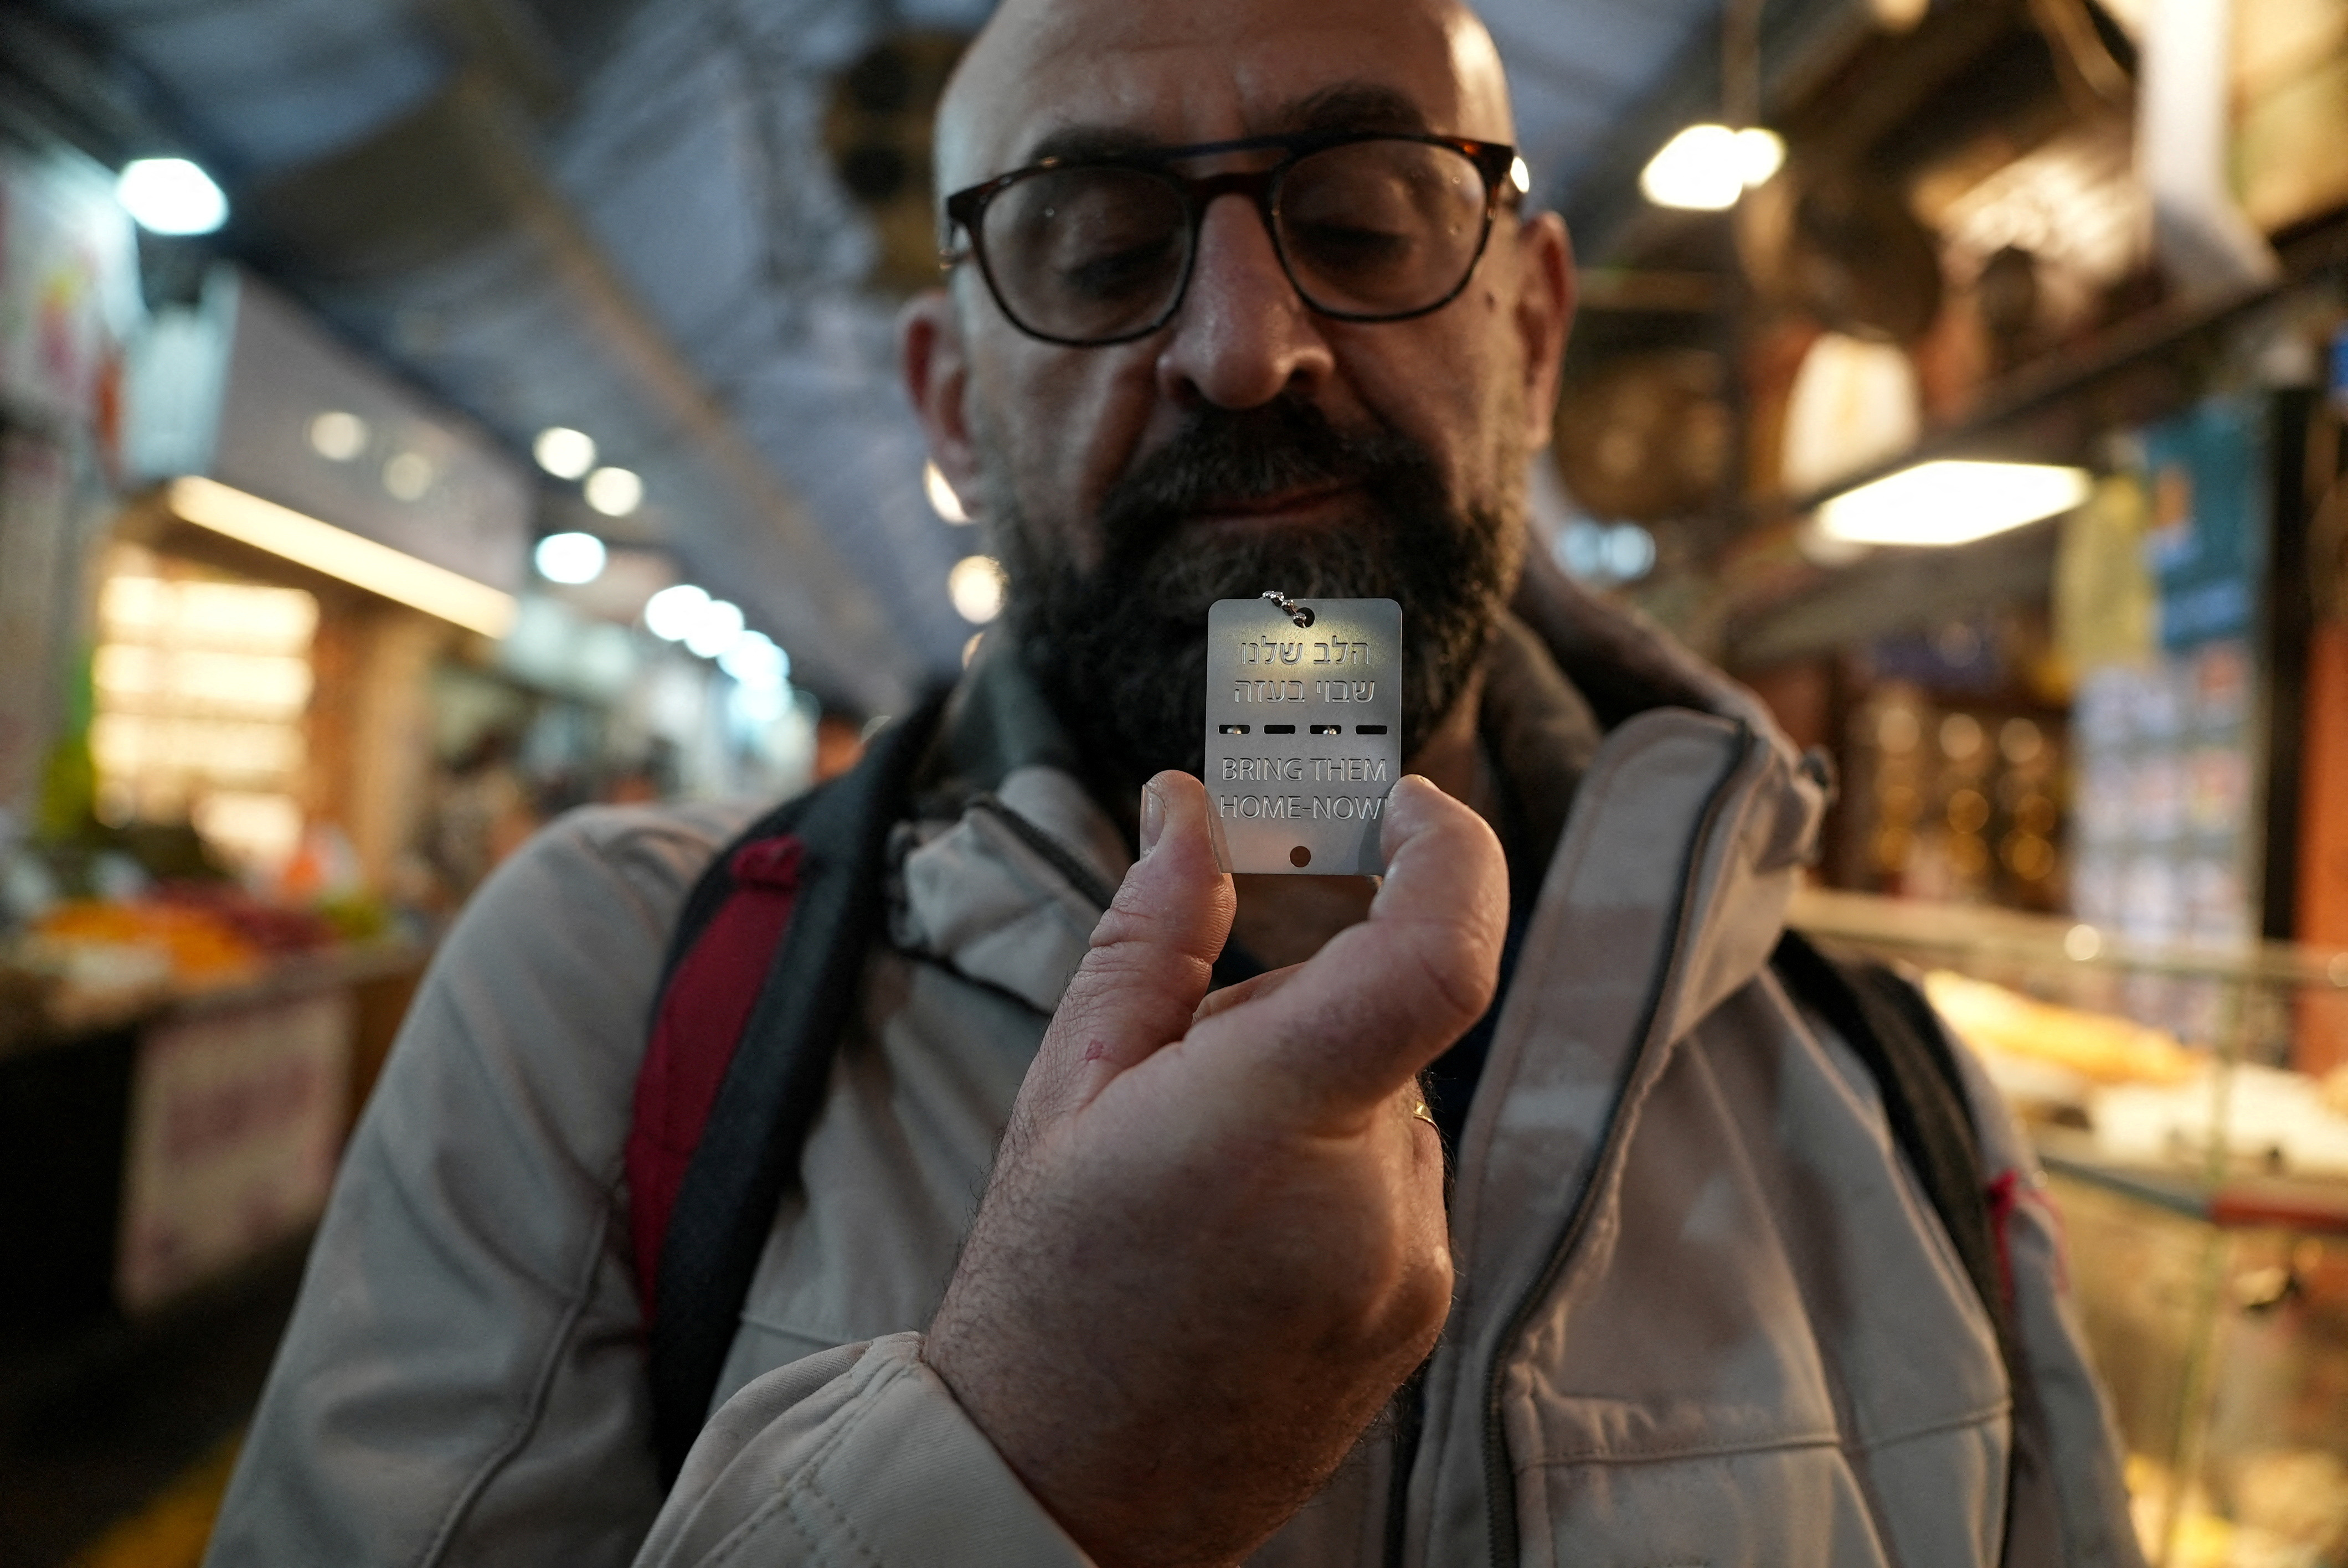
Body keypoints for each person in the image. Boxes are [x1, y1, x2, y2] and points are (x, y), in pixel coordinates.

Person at [205, 1, 2145, 1564]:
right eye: (1103, 251)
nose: (1244, 346)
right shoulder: (612, 981)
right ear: (955, 414)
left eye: (1371, 222)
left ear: (1535, 326)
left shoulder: (1889, 1089)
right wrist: (1031, 1456)